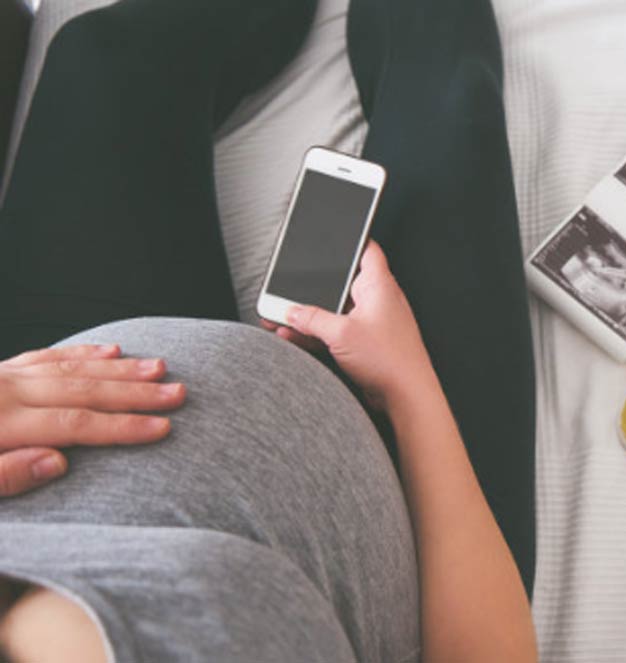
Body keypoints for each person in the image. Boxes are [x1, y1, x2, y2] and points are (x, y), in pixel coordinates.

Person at [0, 0, 537, 660]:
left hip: (72, 374)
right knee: (449, 92)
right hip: (401, 489)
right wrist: (409, 384)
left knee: (98, 53)